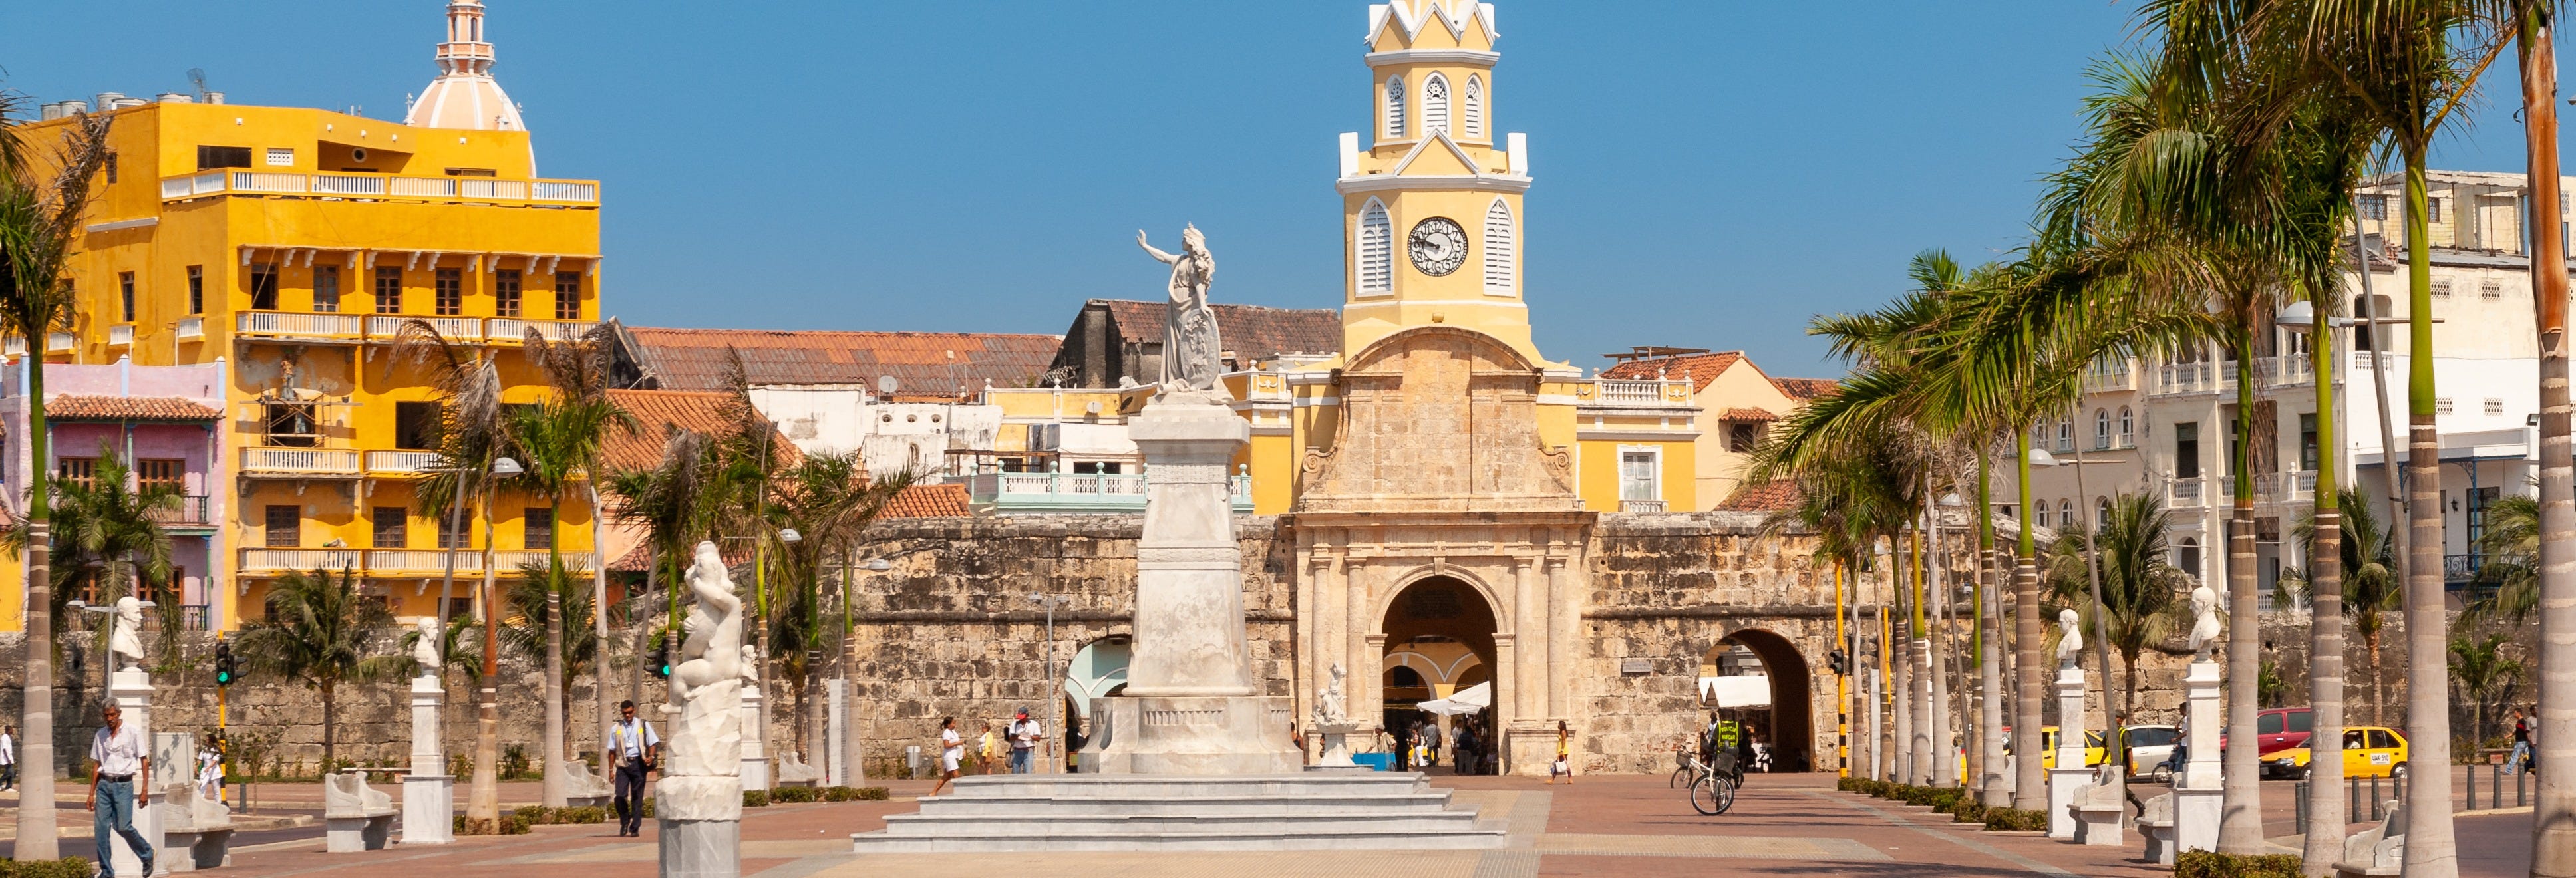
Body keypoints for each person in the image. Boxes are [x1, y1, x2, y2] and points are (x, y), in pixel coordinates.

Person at [88, 704, 154, 878]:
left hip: (124, 785)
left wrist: (144, 790)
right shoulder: (101, 735)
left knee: (123, 826)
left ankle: (146, 854)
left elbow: (144, 760)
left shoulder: (132, 732)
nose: (109, 719)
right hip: (104, 784)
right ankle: (107, 872)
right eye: (106, 716)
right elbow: (97, 764)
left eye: (112, 715)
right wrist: (91, 793)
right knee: (101, 829)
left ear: (119, 713)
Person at [608, 700, 660, 837]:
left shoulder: (643, 724)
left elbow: (653, 742)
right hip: (623, 764)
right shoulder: (616, 728)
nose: (628, 715)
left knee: (637, 797)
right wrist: (610, 771)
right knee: (620, 796)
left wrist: (651, 756)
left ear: (634, 710)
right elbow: (612, 750)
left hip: (638, 763)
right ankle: (625, 821)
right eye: (625, 713)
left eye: (630, 712)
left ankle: (635, 827)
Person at [929, 718, 963, 796]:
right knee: (956, 774)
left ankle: (934, 792)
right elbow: (946, 745)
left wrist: (962, 750)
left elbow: (958, 742)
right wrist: (957, 743)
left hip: (953, 755)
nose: (955, 725)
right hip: (949, 756)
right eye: (953, 723)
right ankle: (960, 793)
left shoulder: (954, 732)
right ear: (949, 725)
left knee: (946, 776)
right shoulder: (946, 733)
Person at [1006, 708, 1043, 774]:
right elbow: (1010, 737)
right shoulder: (1014, 724)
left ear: (1027, 715)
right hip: (1017, 751)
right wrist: (1018, 737)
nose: (1021, 719)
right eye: (1020, 717)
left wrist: (1029, 736)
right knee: (1015, 772)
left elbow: (1038, 738)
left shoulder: (1034, 724)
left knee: (1028, 772)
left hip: (1028, 751)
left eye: (1023, 717)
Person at [196, 732, 224, 803]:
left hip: (214, 770)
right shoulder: (204, 749)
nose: (206, 741)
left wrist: (209, 767)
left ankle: (218, 805)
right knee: (201, 786)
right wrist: (196, 767)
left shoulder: (216, 750)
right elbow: (200, 759)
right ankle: (200, 803)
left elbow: (215, 760)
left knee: (216, 789)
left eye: (208, 739)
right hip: (205, 770)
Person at [2508, 709, 2534, 775]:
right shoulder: (2519, 722)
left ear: (2519, 713)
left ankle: (2509, 770)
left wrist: (2530, 739)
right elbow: (2517, 731)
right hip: (2523, 742)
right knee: (2530, 755)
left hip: (2522, 742)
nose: (2514, 714)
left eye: (2515, 713)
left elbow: (2527, 731)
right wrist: (2509, 736)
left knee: (2515, 756)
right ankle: (2532, 767)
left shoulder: (2523, 722)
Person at [1547, 720, 1572, 785]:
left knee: (1557, 764)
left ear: (1562, 726)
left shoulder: (1563, 732)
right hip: (1562, 751)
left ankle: (1552, 779)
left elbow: (1564, 741)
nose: (1558, 725)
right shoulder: (1562, 732)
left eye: (1559, 724)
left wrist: (1562, 750)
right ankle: (1570, 778)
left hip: (1563, 751)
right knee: (1566, 764)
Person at [0, 724, 17, 792]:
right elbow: (4, 749)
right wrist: (7, 759)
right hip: (6, 758)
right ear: (8, 730)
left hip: (9, 757)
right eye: (11, 730)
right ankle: (2, 783)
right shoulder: (4, 737)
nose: (12, 731)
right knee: (10, 772)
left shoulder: (8, 737)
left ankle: (8, 787)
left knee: (11, 772)